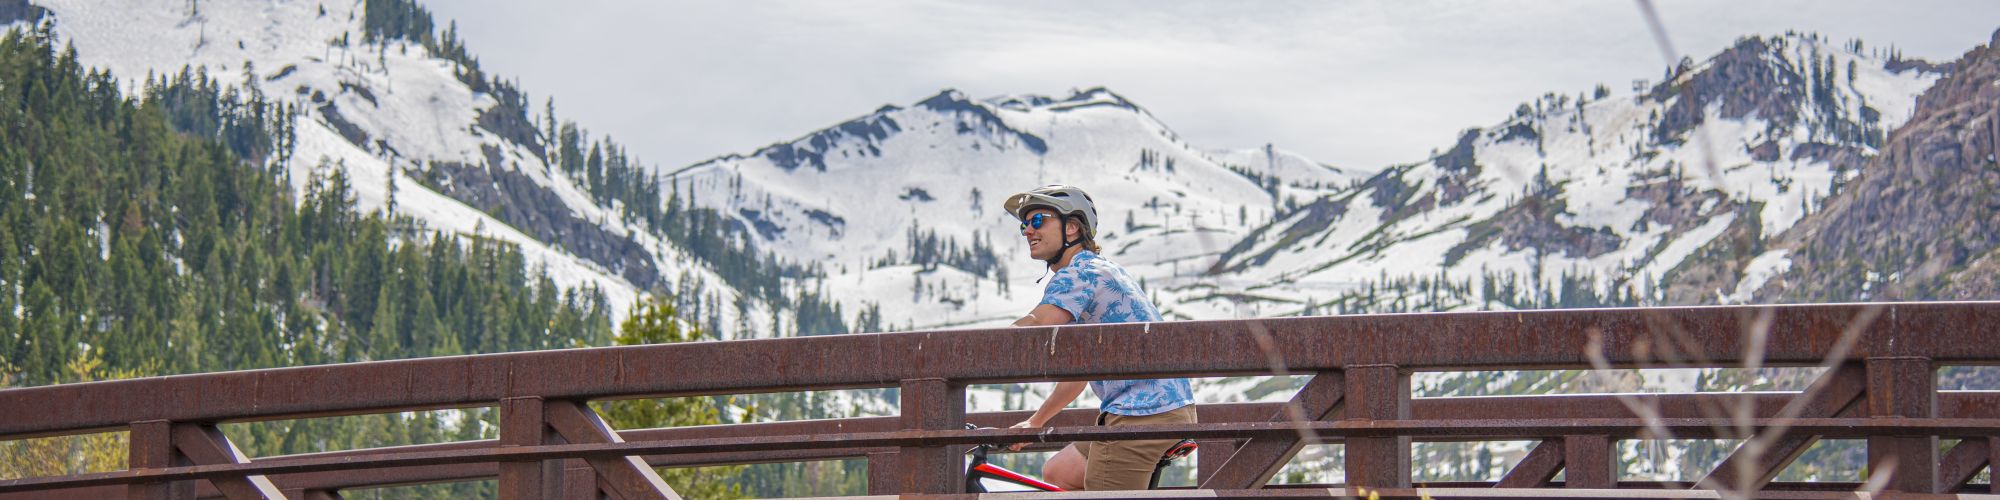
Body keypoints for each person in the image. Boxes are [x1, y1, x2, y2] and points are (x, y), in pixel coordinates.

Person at [1002, 184, 1195, 490]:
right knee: (1059, 471)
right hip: (1158, 409)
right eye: (1024, 223)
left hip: (1142, 415)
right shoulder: (1097, 270)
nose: (1027, 230)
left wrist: (982, 347)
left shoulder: (1080, 274)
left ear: (1073, 227)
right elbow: (1079, 374)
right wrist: (1037, 420)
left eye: (1038, 220)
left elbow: (1040, 321)